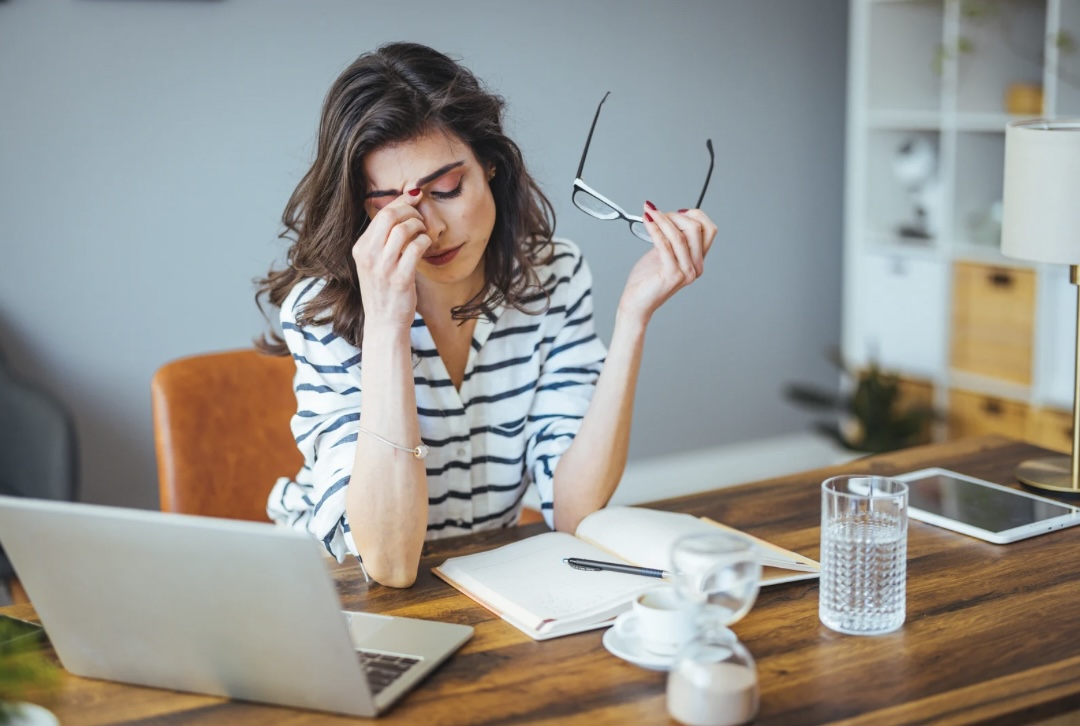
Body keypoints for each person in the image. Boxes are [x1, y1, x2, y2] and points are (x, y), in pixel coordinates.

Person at [257, 42, 717, 588]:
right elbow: (390, 563)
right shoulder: (322, 313)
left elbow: (574, 513)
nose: (432, 229)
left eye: (447, 189)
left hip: (480, 582)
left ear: (491, 164)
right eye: (391, 207)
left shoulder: (552, 277)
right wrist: (386, 326)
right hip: (335, 589)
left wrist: (633, 319)